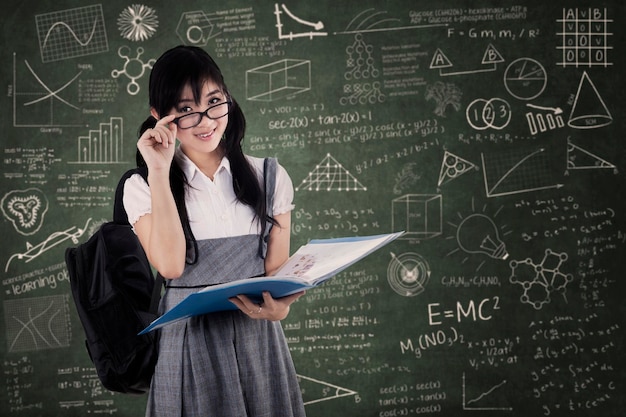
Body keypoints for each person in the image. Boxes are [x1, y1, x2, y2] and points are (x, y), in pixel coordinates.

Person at [122, 45, 306, 417]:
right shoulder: (142, 186)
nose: (206, 121)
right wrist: (157, 170)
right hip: (189, 341)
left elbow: (276, 276)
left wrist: (280, 310)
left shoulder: (270, 176)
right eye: (186, 109)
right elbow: (171, 266)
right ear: (160, 117)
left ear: (228, 99)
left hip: (259, 342)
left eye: (214, 101)